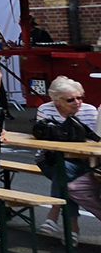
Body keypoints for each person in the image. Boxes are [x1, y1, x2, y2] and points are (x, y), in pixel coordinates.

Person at [32, 76, 101, 238]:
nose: (77, 102)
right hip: (48, 159)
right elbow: (45, 140)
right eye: (71, 100)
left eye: (80, 97)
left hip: (82, 161)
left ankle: (55, 214)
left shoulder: (89, 111)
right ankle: (72, 227)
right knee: (63, 169)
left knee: (65, 173)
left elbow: (94, 142)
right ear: (57, 101)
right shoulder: (46, 109)